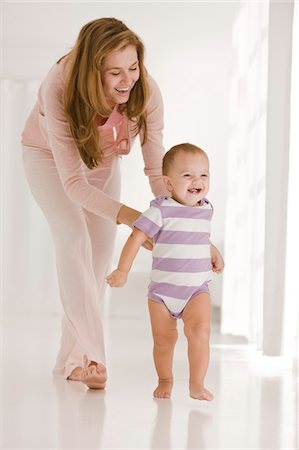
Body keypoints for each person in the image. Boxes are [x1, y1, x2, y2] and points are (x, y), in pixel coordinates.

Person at [21, 17, 168, 389]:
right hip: (48, 158)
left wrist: (172, 215)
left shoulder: (146, 91)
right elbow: (72, 183)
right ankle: (94, 357)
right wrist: (131, 216)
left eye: (133, 68)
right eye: (115, 72)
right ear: (91, 70)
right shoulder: (59, 86)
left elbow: (156, 167)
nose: (127, 80)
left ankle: (70, 361)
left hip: (101, 158)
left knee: (100, 255)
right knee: (73, 239)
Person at [106, 143, 225, 400]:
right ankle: (165, 379)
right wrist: (122, 270)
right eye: (188, 175)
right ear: (169, 184)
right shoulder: (160, 210)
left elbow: (199, 236)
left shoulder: (206, 208)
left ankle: (196, 383)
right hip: (162, 293)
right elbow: (136, 238)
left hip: (196, 289)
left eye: (204, 175)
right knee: (164, 341)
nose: (198, 181)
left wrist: (213, 251)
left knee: (201, 331)